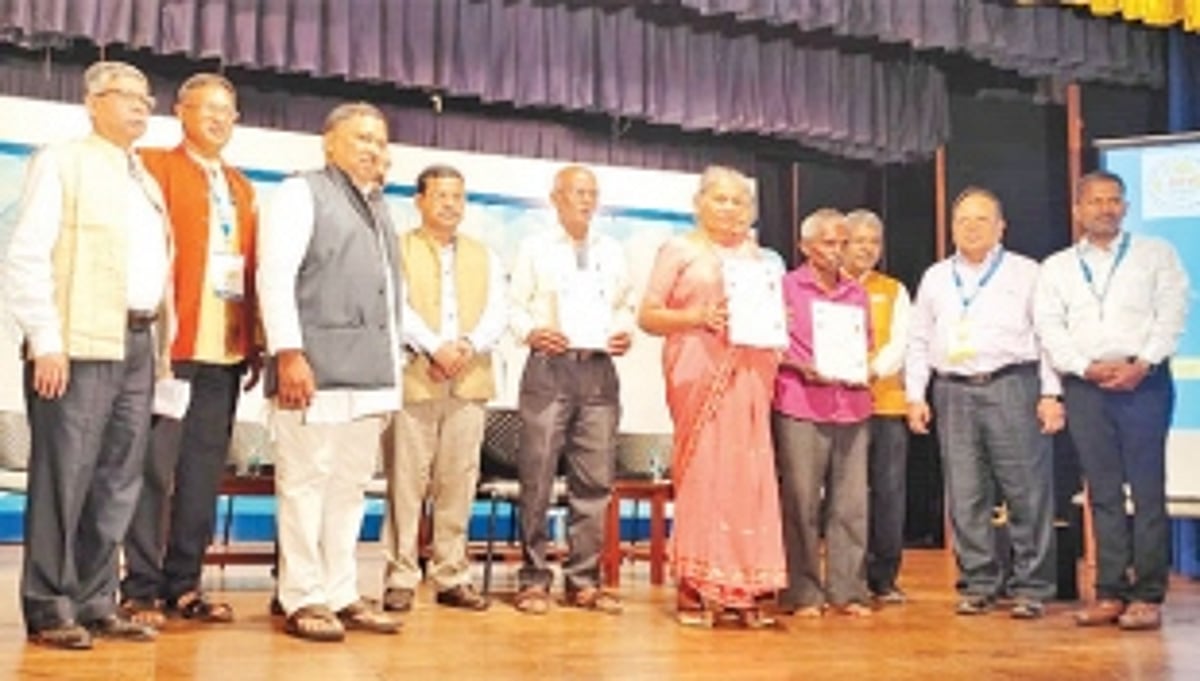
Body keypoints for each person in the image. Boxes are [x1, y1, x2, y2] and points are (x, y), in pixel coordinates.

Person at [3, 61, 172, 649]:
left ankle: (97, 599)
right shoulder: (62, 161)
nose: (139, 107)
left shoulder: (144, 178)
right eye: (125, 96)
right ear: (92, 101)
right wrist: (46, 340)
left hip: (138, 343)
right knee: (64, 479)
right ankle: (49, 605)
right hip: (77, 345)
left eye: (146, 99)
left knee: (118, 480)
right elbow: (26, 255)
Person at [119, 72, 260, 627]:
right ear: (180, 111)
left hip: (223, 354)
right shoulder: (154, 168)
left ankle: (185, 583)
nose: (220, 120)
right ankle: (142, 587)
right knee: (154, 470)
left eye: (229, 111)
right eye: (209, 109)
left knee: (203, 472)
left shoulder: (242, 185)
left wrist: (255, 344)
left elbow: (250, 271)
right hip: (170, 350)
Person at [258, 102, 401, 642]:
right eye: (362, 138)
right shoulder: (303, 192)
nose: (373, 149)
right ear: (329, 144)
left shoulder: (380, 206)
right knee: (304, 484)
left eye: (381, 141)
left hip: (370, 377)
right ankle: (302, 596)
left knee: (350, 488)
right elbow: (275, 277)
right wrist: (289, 353)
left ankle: (341, 591)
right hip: (313, 370)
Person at [1034, 171, 1189, 631]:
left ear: (1125, 207)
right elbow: (1050, 327)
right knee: (1101, 492)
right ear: (1079, 209)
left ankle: (1148, 595)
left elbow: (1173, 312)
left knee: (1146, 491)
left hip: (1145, 381)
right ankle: (1109, 592)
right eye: (1096, 201)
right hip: (1087, 385)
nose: (1105, 208)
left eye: (1114, 200)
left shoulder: (1156, 254)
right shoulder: (1057, 267)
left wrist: (1142, 362)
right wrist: (1083, 367)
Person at [638, 165, 786, 628]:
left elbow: (779, 320)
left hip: (751, 375)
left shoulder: (765, 261)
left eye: (739, 201)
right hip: (698, 373)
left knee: (750, 477)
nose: (730, 209)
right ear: (699, 203)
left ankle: (746, 585)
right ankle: (696, 583)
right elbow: (648, 315)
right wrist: (698, 316)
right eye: (720, 199)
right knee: (706, 475)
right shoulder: (679, 250)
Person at [906, 187, 1063, 619]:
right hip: (952, 390)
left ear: (1001, 226)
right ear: (952, 228)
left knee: (1026, 491)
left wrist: (1051, 392)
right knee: (965, 493)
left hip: (1012, 384)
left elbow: (1048, 336)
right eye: (963, 221)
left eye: (981, 219)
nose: (971, 228)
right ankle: (978, 583)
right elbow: (918, 338)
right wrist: (915, 394)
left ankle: (1032, 586)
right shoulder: (936, 276)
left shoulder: (1027, 272)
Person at [380, 164, 506, 613]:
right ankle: (400, 574)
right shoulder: (396, 248)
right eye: (441, 196)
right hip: (416, 377)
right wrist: (435, 348)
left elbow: (497, 313)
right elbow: (396, 306)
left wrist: (466, 347)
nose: (451, 205)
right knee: (405, 482)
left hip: (469, 381)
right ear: (419, 200)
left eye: (458, 196)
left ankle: (452, 574)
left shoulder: (484, 255)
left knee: (459, 482)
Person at [508, 164, 632, 615]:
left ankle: (584, 581)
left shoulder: (612, 250)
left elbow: (624, 306)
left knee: (595, 481)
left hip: (598, 372)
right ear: (556, 197)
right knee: (537, 477)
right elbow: (513, 305)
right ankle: (533, 579)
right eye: (577, 191)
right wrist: (531, 331)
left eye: (592, 192)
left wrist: (622, 331)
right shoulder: (534, 247)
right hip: (548, 369)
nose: (585, 199)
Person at [772, 208, 873, 618]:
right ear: (806, 246)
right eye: (829, 243)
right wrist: (800, 365)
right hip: (800, 400)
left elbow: (864, 343)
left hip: (851, 404)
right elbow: (770, 342)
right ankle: (803, 591)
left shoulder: (857, 293)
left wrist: (859, 367)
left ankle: (847, 590)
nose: (838, 252)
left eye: (844, 243)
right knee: (801, 501)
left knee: (850, 504)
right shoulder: (785, 287)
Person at [843, 209, 912, 605]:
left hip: (884, 403)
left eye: (874, 241)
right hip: (835, 404)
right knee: (845, 495)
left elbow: (902, 342)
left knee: (888, 493)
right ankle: (846, 577)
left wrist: (871, 370)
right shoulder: (827, 286)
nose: (867, 248)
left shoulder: (893, 289)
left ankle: (884, 578)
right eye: (859, 240)